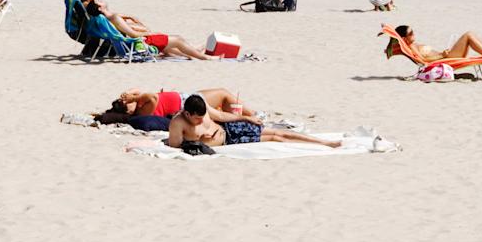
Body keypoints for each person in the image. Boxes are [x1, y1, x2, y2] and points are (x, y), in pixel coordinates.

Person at [68, 0, 216, 59]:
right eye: (99, 0)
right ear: (100, 8)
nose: (100, 0)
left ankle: (193, 52)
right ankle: (204, 57)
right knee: (177, 39)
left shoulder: (101, 18)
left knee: (169, 43)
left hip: (129, 43)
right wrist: (146, 33)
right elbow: (132, 35)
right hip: (137, 44)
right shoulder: (113, 18)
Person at [167, 94, 341, 150]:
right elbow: (175, 146)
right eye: (197, 118)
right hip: (229, 140)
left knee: (277, 131)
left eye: (202, 117)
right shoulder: (178, 123)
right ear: (187, 114)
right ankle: (318, 145)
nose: (200, 121)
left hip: (228, 127)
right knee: (276, 138)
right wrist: (198, 142)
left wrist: (245, 117)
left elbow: (220, 117)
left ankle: (324, 142)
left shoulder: (202, 105)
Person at [392, 24, 482, 64]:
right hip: (447, 58)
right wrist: (442, 55)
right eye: (411, 33)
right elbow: (423, 61)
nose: (414, 34)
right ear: (404, 38)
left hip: (446, 56)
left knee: (469, 35)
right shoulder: (411, 47)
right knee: (468, 35)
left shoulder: (412, 45)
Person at [115, 88, 256, 118]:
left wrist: (127, 94)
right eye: (127, 102)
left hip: (185, 97)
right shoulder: (142, 111)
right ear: (128, 110)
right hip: (187, 103)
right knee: (224, 95)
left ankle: (247, 114)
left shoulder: (139, 103)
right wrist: (133, 98)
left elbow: (137, 89)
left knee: (223, 96)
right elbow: (153, 97)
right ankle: (251, 115)